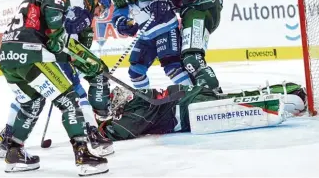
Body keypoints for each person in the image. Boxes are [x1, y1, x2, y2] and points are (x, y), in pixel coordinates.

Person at [0, 0, 108, 176]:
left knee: (32, 103)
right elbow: (55, 29)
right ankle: (83, 155)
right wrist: (72, 53)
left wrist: (68, 52)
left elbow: (48, 35)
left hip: (7, 56)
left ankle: (14, 152)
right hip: (31, 55)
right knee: (70, 100)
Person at [98, 82, 307, 141]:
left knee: (241, 104)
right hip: (191, 94)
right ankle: (289, 90)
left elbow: (122, 131)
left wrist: (99, 129)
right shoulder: (140, 96)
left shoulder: (137, 110)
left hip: (190, 106)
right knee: (237, 97)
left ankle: (289, 98)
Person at [110, 0, 192, 89]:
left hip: (165, 28)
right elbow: (119, 11)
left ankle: (192, 95)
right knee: (135, 72)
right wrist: (121, 23)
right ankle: (146, 102)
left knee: (172, 67)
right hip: (146, 36)